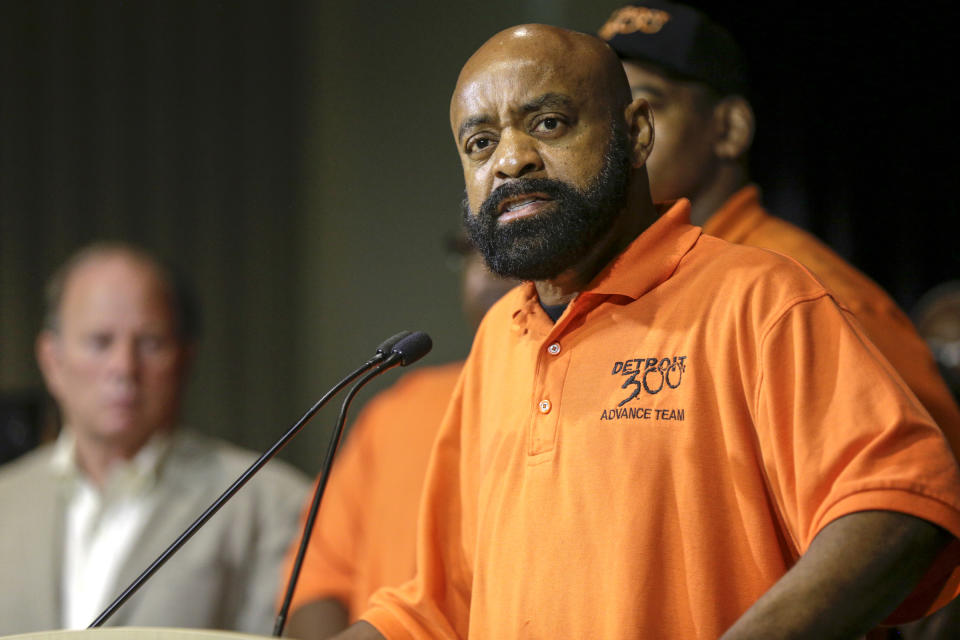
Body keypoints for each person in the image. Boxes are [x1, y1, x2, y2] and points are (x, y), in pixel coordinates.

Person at [327, 24, 960, 639]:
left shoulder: (761, 299)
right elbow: (444, 605)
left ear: (635, 135)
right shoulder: (501, 337)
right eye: (480, 143)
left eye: (548, 124)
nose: (511, 160)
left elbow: (898, 508)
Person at [598, 1, 960, 459]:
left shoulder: (812, 291)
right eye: (606, 114)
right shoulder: (630, 285)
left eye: (648, 108)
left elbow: (924, 490)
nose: (621, 134)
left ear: (730, 129)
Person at [0, 242, 310, 635]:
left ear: (185, 358)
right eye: (100, 342)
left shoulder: (268, 502)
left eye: (151, 343)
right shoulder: (5, 501)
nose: (124, 367)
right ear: (52, 360)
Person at [282, 242, 517, 639]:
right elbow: (318, 580)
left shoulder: (605, 406)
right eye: (470, 248)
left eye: (506, 243)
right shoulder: (396, 411)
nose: (485, 270)